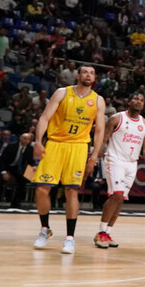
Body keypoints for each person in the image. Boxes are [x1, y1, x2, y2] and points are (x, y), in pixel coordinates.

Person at [31, 65, 106, 254]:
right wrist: (38, 141)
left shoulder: (98, 100)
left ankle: (70, 238)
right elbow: (44, 118)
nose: (88, 75)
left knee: (72, 191)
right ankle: (44, 229)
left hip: (79, 147)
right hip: (55, 143)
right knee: (41, 189)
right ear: (78, 75)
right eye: (85, 72)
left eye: (92, 73)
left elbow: (99, 130)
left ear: (94, 78)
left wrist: (94, 156)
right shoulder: (62, 93)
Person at [87, 92, 145, 248]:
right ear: (128, 101)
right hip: (114, 159)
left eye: (142, 100)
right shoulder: (117, 118)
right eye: (136, 99)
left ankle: (107, 232)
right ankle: (100, 232)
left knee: (120, 198)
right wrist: (94, 157)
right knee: (116, 194)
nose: (138, 102)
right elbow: (103, 139)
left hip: (132, 163)